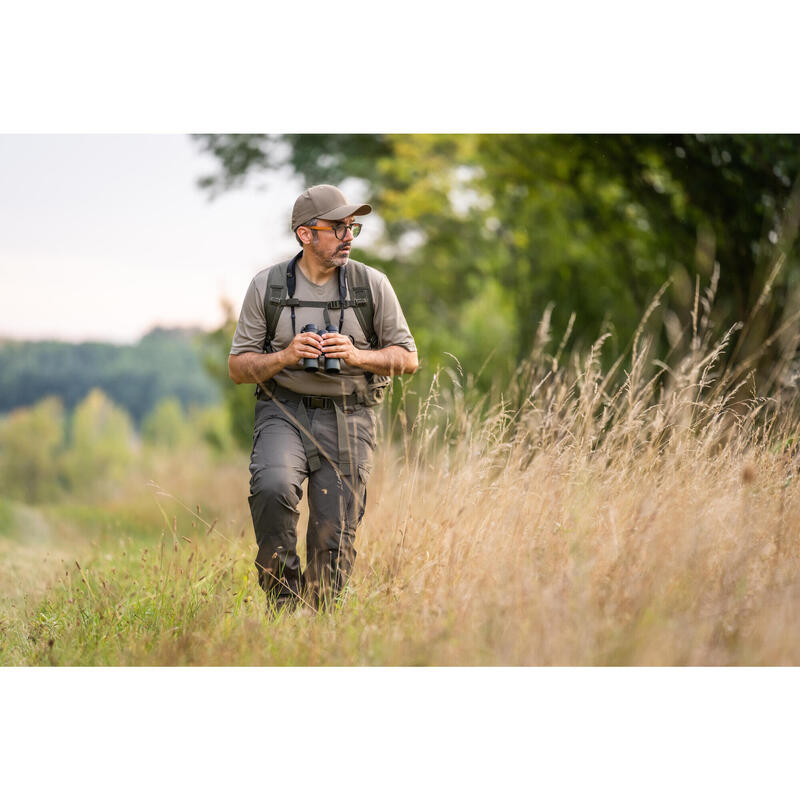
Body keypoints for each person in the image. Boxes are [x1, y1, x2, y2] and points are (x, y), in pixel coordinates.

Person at [228, 184, 418, 612]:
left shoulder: (372, 285)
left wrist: (355, 355)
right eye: (337, 228)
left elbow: (408, 358)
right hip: (284, 411)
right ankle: (284, 602)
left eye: (352, 227)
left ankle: (319, 620)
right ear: (305, 234)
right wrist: (285, 356)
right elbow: (238, 368)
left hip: (350, 416)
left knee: (332, 536)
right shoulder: (268, 286)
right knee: (273, 489)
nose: (348, 236)